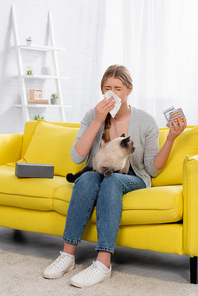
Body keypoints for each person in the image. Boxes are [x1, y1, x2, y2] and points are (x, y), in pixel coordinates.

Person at [42, 65, 187, 288]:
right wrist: (98, 120)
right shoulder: (93, 115)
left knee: (112, 181)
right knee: (87, 178)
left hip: (131, 176)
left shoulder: (145, 120)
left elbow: (152, 169)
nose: (112, 93)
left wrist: (171, 139)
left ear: (129, 90)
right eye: (107, 88)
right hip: (99, 171)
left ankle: (103, 263)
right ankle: (67, 255)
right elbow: (77, 156)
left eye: (118, 88)